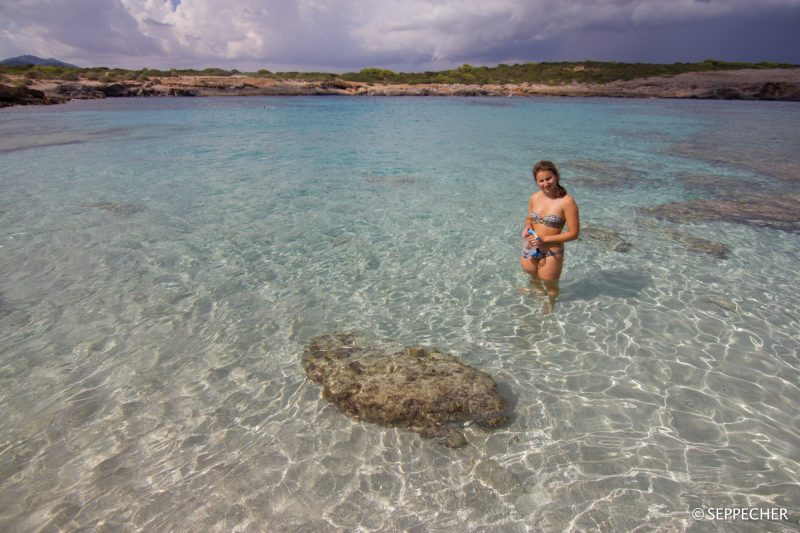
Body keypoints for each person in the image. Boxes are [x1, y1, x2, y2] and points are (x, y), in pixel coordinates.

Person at [519, 160, 580, 312]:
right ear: (536, 182)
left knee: (550, 284)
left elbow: (574, 233)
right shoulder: (534, 197)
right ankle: (538, 291)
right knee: (532, 275)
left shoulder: (567, 202)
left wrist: (545, 239)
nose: (545, 183)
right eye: (541, 180)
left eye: (548, 178)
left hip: (552, 251)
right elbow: (529, 218)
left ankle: (552, 301)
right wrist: (526, 227)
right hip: (531, 245)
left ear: (556, 176)